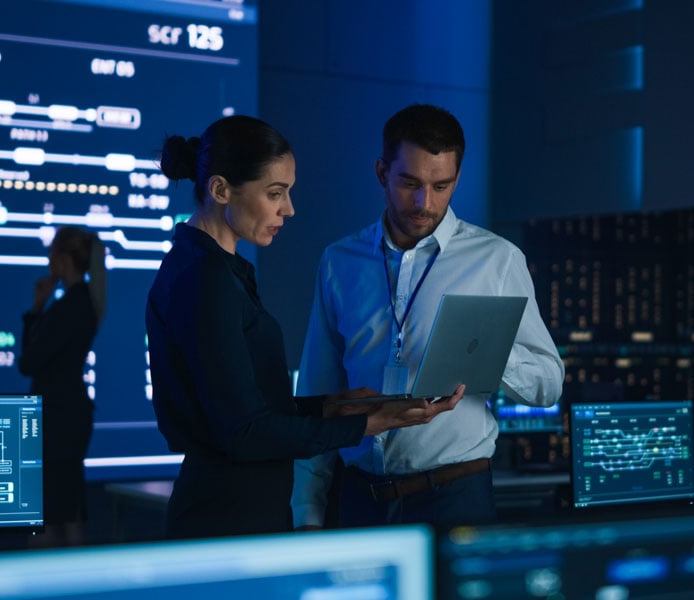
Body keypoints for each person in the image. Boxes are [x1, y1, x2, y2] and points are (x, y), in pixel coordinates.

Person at [148, 115, 461, 539]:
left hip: (238, 510)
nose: (289, 209)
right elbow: (245, 432)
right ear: (220, 190)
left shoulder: (217, 269)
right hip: (227, 520)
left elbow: (247, 408)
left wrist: (335, 406)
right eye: (275, 193)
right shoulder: (204, 277)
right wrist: (369, 425)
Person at [292, 104, 563, 529]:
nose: (425, 202)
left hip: (457, 496)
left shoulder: (497, 260)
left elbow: (548, 384)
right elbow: (319, 389)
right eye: (410, 183)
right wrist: (305, 511)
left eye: (442, 186)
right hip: (359, 498)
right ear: (382, 172)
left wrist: (486, 352)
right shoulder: (338, 261)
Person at [18, 226, 106, 546]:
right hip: (66, 414)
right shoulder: (83, 301)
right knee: (64, 505)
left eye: (52, 252)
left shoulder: (71, 306)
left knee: (54, 508)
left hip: (58, 417)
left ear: (64, 259)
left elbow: (28, 363)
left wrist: (34, 312)